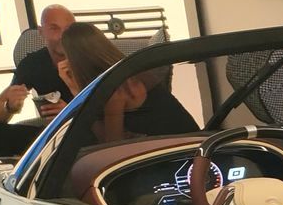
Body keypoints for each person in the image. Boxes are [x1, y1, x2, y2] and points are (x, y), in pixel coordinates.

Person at [59, 23, 199, 142]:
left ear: (78, 60)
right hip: (186, 142)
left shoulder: (117, 88)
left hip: (183, 150)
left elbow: (111, 145)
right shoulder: (126, 72)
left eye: (67, 56)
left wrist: (76, 92)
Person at [0, 4, 75, 126]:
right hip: (53, 129)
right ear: (41, 32)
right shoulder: (34, 63)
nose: (62, 36)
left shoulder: (89, 57)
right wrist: (9, 107)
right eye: (54, 28)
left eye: (68, 29)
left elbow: (102, 108)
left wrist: (71, 111)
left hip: (88, 126)